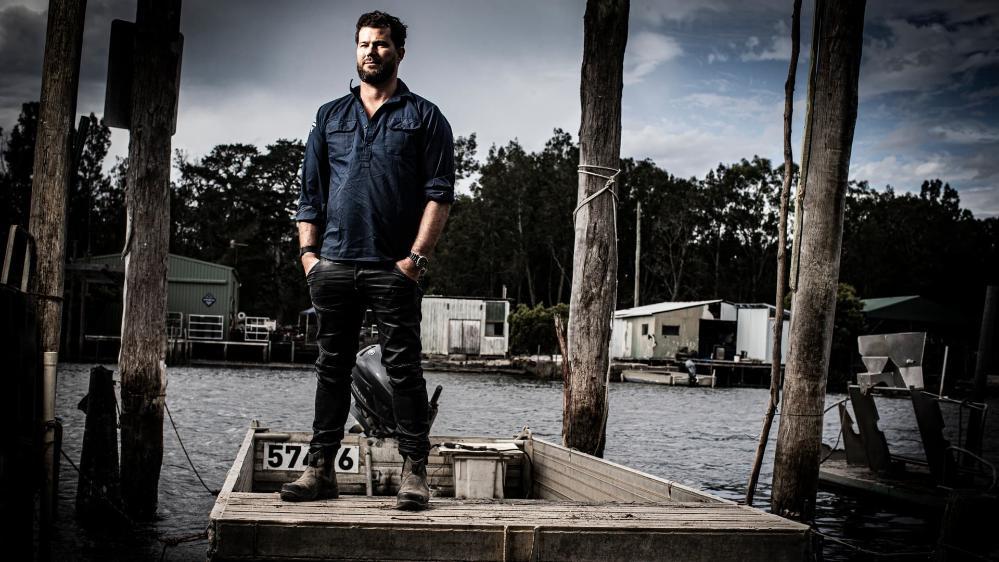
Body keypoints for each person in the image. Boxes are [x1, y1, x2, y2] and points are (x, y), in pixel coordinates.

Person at [281, 10, 454, 512]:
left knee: (403, 369)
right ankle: (318, 470)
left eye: (380, 44)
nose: (370, 52)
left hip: (392, 268)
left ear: (400, 51)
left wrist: (414, 261)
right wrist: (309, 257)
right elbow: (309, 194)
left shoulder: (424, 117)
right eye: (363, 44)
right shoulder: (330, 116)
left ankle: (414, 473)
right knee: (330, 369)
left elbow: (439, 196)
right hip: (333, 264)